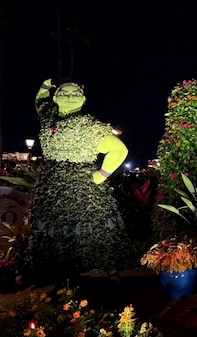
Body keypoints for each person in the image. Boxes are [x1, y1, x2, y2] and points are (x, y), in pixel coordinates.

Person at [27, 78, 136, 282]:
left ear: (83, 99)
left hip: (84, 183)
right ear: (56, 98)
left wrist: (101, 176)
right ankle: (58, 269)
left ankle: (110, 267)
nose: (70, 97)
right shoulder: (48, 118)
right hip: (52, 183)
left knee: (96, 222)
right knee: (56, 224)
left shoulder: (90, 126)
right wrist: (48, 83)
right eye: (65, 93)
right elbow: (40, 100)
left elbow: (119, 150)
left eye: (75, 94)